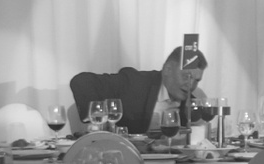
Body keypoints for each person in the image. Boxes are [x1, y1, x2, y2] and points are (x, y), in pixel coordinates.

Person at [68, 47, 210, 137]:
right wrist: (98, 118)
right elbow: (81, 81)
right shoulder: (134, 83)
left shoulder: (192, 105)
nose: (191, 85)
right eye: (186, 76)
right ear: (167, 70)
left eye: (196, 80)